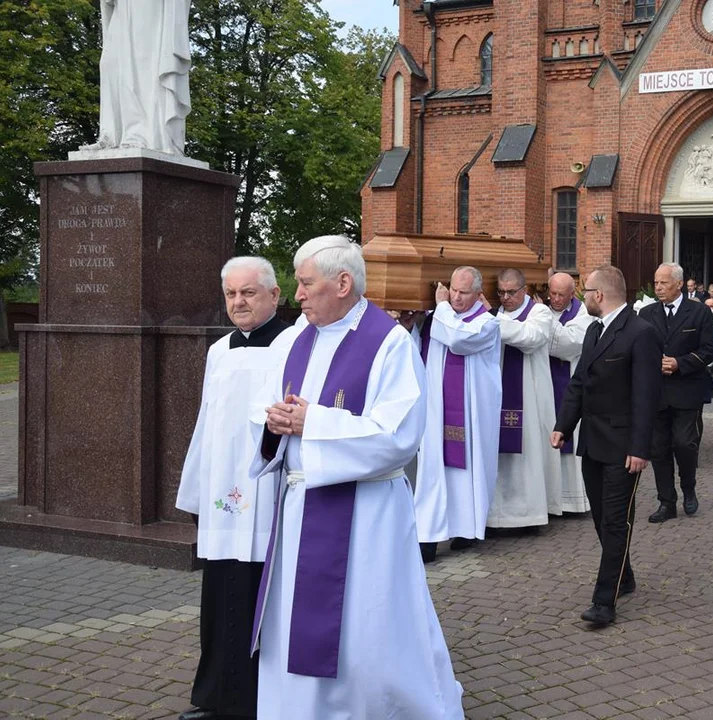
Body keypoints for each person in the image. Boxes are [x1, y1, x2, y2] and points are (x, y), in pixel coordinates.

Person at [250, 235, 463, 719]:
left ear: (342, 282)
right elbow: (268, 408)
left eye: (306, 283)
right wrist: (274, 424)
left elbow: (399, 436)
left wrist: (313, 422)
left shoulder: (387, 342)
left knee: (365, 624)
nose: (296, 294)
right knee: (294, 622)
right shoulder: (294, 339)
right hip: (300, 504)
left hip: (366, 514)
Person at [174, 257, 299, 720]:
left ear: (274, 295)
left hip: (266, 489)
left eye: (248, 292)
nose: (238, 302)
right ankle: (216, 697)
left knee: (259, 594)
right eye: (231, 294)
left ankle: (264, 698)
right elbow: (208, 423)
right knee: (220, 591)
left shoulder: (292, 344)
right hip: (224, 492)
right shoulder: (219, 350)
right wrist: (196, 489)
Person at [550, 265, 662, 627]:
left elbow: (647, 397)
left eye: (586, 291)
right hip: (593, 443)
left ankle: (604, 602)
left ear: (600, 295)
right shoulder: (595, 331)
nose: (583, 296)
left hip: (624, 447)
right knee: (601, 518)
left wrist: (640, 448)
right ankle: (623, 576)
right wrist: (563, 426)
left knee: (616, 521)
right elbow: (580, 383)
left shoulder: (641, 332)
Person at [413, 266, 502, 563]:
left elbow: (458, 341)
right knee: (433, 471)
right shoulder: (438, 318)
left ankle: (465, 528)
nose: (456, 297)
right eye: (452, 290)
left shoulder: (487, 324)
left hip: (473, 413)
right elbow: (416, 349)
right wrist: (411, 322)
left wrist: (439, 306)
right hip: (437, 410)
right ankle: (428, 536)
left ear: (479, 294)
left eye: (464, 292)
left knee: (467, 473)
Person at [638, 262, 713, 522]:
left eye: (664, 283)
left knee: (684, 444)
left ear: (679, 284)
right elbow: (638, 349)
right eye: (656, 282)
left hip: (687, 390)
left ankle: (689, 488)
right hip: (657, 392)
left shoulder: (698, 313)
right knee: (658, 448)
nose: (658, 288)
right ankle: (666, 501)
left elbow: (708, 351)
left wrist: (679, 363)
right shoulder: (646, 313)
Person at [486, 268, 561, 528]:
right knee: (499, 455)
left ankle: (530, 513)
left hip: (530, 397)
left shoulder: (539, 312)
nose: (505, 297)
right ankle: (497, 515)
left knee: (528, 453)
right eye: (501, 292)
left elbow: (530, 338)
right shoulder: (495, 315)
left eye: (511, 292)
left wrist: (490, 319)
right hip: (498, 396)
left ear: (524, 289)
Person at [81, 0, 192, 155]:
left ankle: (140, 135)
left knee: (143, 65)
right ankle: (111, 135)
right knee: (111, 64)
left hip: (149, 8)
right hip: (122, 7)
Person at [543, 272, 597, 513]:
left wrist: (542, 319)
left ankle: (569, 501)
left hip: (569, 384)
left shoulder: (584, 313)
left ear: (573, 291)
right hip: (545, 384)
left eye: (561, 295)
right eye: (552, 294)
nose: (555, 299)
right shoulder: (541, 308)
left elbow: (567, 344)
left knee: (568, 440)